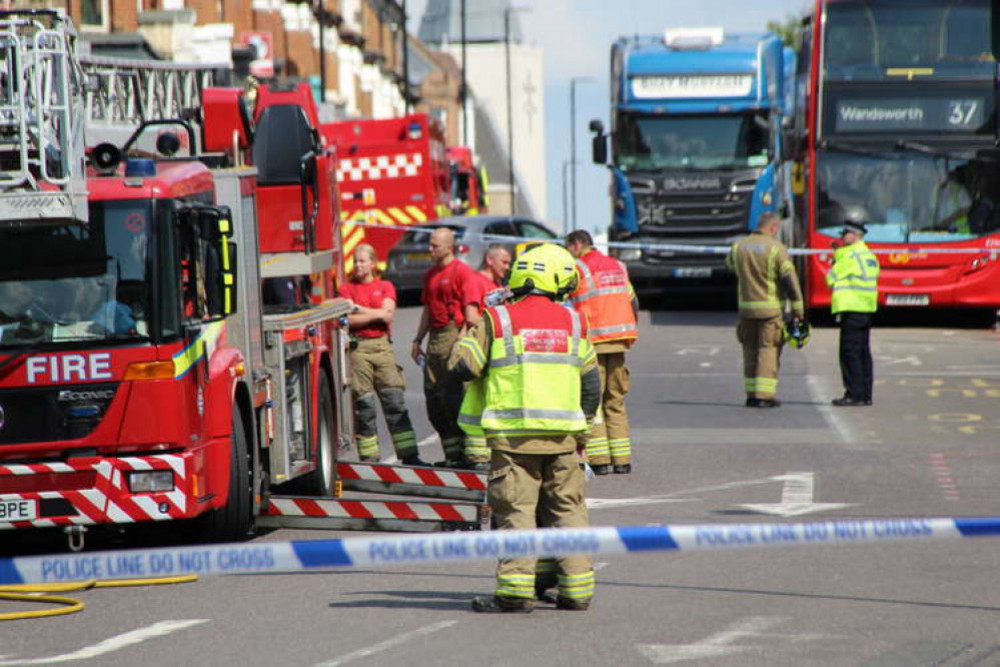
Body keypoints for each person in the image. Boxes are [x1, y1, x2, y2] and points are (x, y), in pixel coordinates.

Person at [448, 243, 601, 613]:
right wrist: (581, 429)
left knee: (517, 514)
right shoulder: (574, 321)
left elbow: (462, 367)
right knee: (568, 512)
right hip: (563, 440)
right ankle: (577, 591)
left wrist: (470, 331)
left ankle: (516, 592)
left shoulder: (497, 319)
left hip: (513, 441)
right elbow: (592, 384)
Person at [339, 244, 425, 464]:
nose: (358, 265)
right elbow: (347, 320)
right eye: (356, 261)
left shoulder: (385, 285)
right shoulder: (346, 290)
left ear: (373, 263)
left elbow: (387, 316)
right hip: (359, 351)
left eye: (362, 261)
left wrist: (358, 309)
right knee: (364, 408)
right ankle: (370, 460)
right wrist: (374, 313)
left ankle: (410, 457)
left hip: (382, 349)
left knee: (394, 403)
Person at [564, 230, 639, 475]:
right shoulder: (617, 266)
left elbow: (564, 301)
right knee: (615, 401)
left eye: (568, 247)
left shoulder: (579, 267)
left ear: (577, 244)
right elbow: (632, 300)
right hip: (619, 340)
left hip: (593, 341)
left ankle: (600, 461)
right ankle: (622, 460)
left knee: (593, 401)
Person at [726, 211, 805, 408]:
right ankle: (764, 395)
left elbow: (731, 267)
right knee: (768, 350)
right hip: (769, 309)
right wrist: (797, 309)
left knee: (750, 349)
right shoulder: (776, 248)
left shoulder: (739, 247)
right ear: (773, 228)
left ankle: (751, 394)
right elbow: (789, 280)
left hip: (746, 309)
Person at [411, 227, 475, 467]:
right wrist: (418, 339)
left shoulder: (462, 272)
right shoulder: (430, 275)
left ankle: (468, 455)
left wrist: (461, 340)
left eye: (434, 245)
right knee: (434, 400)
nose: (430, 249)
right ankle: (452, 455)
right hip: (435, 338)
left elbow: (471, 315)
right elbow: (428, 309)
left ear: (449, 247)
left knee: (454, 398)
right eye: (430, 244)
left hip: (453, 334)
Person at [456, 243, 512, 471]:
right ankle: (476, 457)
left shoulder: (496, 285)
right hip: (479, 350)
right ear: (490, 260)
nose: (507, 267)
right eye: (504, 262)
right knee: (475, 403)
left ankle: (490, 453)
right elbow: (470, 316)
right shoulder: (475, 280)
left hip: (494, 351)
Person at [826, 209, 880, 407]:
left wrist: (835, 256)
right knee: (863, 353)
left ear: (855, 236)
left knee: (849, 353)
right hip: (865, 308)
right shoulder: (868, 255)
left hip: (851, 308)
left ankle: (854, 394)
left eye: (845, 234)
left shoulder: (848, 256)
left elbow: (831, 278)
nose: (842, 238)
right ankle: (865, 394)